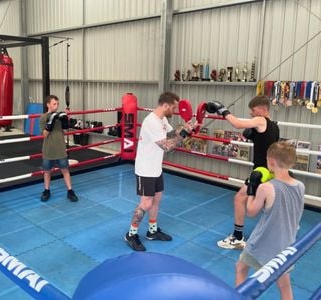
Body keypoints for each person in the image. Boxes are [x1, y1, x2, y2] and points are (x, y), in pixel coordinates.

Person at [205, 95, 280, 249]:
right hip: (272, 170)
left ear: (263, 109)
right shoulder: (274, 126)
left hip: (262, 171)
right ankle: (280, 229)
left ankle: (237, 237)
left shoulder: (261, 120)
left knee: (239, 199)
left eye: (253, 111)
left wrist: (223, 110)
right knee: (267, 202)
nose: (251, 114)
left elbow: (238, 124)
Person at [124, 92, 195, 251]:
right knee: (146, 202)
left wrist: (186, 128)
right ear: (166, 105)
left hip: (156, 167)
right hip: (145, 169)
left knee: (157, 199)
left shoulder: (162, 119)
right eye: (174, 107)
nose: (175, 110)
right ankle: (131, 234)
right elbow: (167, 146)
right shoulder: (151, 122)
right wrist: (182, 135)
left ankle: (152, 231)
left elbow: (170, 134)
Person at [235, 141, 304, 300]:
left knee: (240, 268)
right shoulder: (300, 186)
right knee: (284, 284)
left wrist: (252, 188)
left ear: (271, 161)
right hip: (286, 243)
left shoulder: (266, 188)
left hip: (262, 243)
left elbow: (251, 211)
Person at [39, 95, 78, 202]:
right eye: (54, 104)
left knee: (65, 170)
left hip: (60, 148)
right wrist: (50, 122)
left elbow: (65, 132)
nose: (56, 106)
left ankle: (70, 191)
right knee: (47, 171)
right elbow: (44, 135)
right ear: (48, 105)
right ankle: (46, 190)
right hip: (48, 150)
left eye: (57, 104)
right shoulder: (43, 117)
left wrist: (66, 121)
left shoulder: (60, 117)